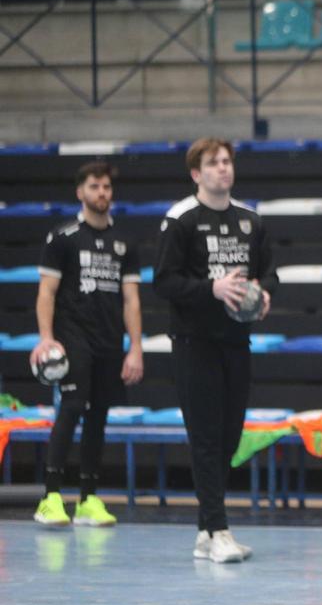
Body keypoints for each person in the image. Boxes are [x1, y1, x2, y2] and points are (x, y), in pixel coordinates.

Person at [154, 138, 277, 564]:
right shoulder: (181, 219)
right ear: (196, 173)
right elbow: (164, 281)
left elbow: (268, 274)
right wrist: (213, 288)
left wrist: (262, 297)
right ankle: (218, 528)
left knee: (229, 437)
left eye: (227, 161)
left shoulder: (250, 219)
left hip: (236, 342)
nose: (223, 169)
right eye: (213, 163)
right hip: (194, 343)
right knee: (205, 438)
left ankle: (208, 530)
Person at [31, 162, 143, 528]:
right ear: (81, 192)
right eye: (94, 186)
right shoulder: (63, 238)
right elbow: (46, 292)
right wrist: (46, 339)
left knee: (99, 415)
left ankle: (88, 499)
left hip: (109, 340)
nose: (101, 193)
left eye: (107, 187)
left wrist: (136, 348)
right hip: (71, 337)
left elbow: (132, 300)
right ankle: (50, 497)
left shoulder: (124, 243)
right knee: (73, 406)